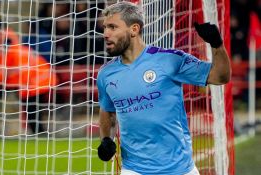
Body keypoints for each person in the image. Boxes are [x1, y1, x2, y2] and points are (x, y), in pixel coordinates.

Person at [96, 2, 230, 175]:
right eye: (105, 27)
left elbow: (220, 76)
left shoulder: (169, 60)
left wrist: (216, 44)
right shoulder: (106, 74)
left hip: (181, 169)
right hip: (134, 170)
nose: (106, 34)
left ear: (134, 29)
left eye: (113, 27)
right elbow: (107, 111)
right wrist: (106, 139)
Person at [0, 25, 59, 134]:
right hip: (37, 79)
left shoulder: (15, 51)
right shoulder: (14, 50)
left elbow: (18, 72)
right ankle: (38, 131)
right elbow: (8, 72)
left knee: (30, 105)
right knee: (28, 104)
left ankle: (38, 131)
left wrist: (1, 80)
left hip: (40, 79)